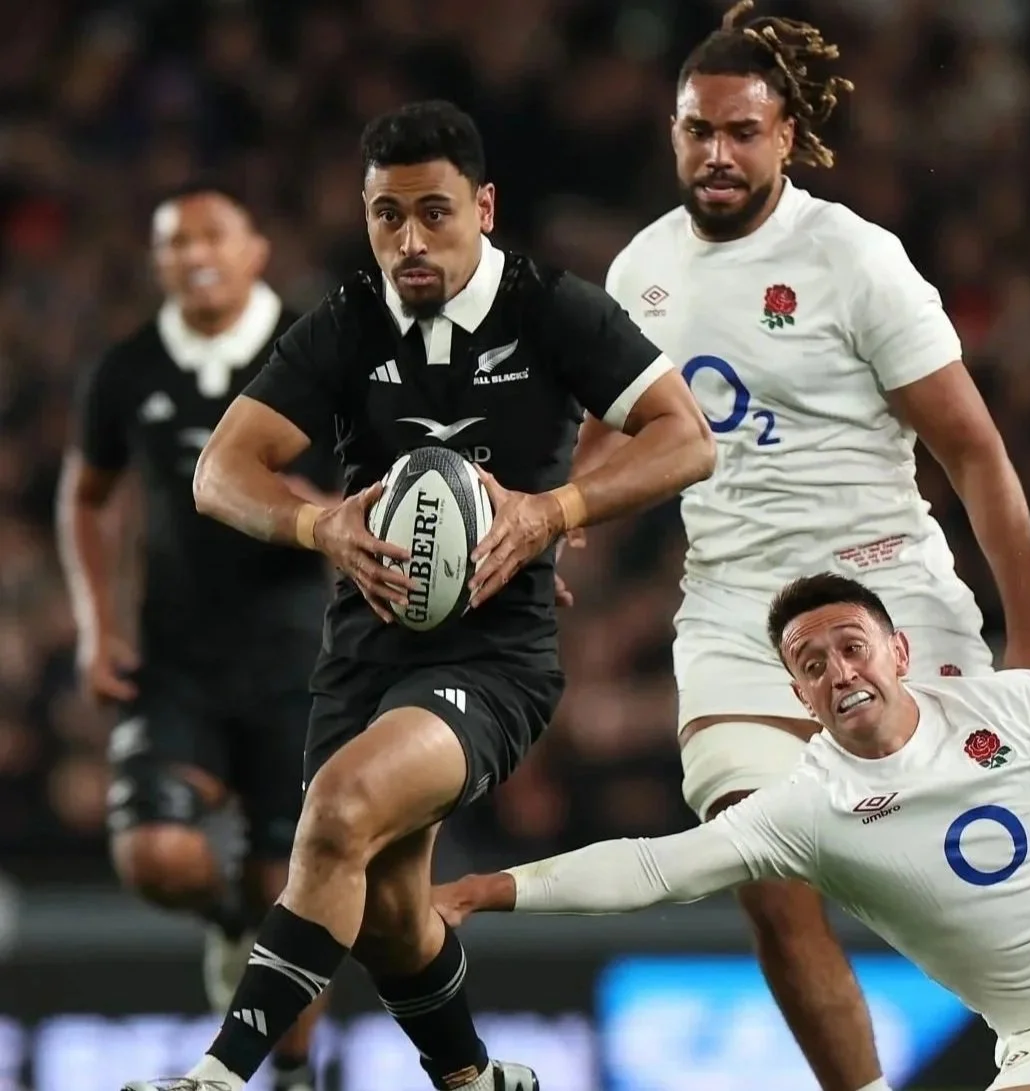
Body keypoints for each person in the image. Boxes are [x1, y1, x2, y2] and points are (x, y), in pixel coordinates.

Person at [121, 99, 714, 1091]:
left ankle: (220, 1074)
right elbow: (221, 471)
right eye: (385, 216)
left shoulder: (550, 307)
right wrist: (318, 523)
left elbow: (683, 435)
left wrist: (548, 511)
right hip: (362, 657)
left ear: (481, 206)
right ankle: (475, 1079)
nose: (408, 240)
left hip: (493, 660)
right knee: (392, 913)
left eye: (432, 212)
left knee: (340, 811)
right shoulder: (348, 324)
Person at [568, 4, 1030, 1090]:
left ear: (785, 135)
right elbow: (601, 453)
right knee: (767, 871)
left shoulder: (853, 259)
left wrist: (1028, 626)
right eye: (696, 131)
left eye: (740, 132)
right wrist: (547, 528)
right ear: (672, 132)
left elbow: (975, 454)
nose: (715, 153)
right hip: (733, 619)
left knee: (1004, 858)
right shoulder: (639, 272)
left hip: (885, 604)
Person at [436, 572, 1030, 1091]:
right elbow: (651, 869)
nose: (839, 672)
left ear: (897, 652)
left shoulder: (997, 703)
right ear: (800, 696)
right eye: (812, 664)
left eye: (852, 646)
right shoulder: (805, 811)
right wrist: (477, 890)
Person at [57, 183, 338, 1091]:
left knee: (291, 890)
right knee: (157, 854)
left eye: (212, 233)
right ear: (157, 262)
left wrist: (323, 519)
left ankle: (292, 1072)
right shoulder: (129, 368)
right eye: (172, 241)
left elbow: (383, 480)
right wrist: (98, 626)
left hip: (301, 662)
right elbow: (87, 493)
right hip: (175, 659)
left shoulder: (320, 351)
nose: (193, 253)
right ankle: (226, 922)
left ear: (257, 247)